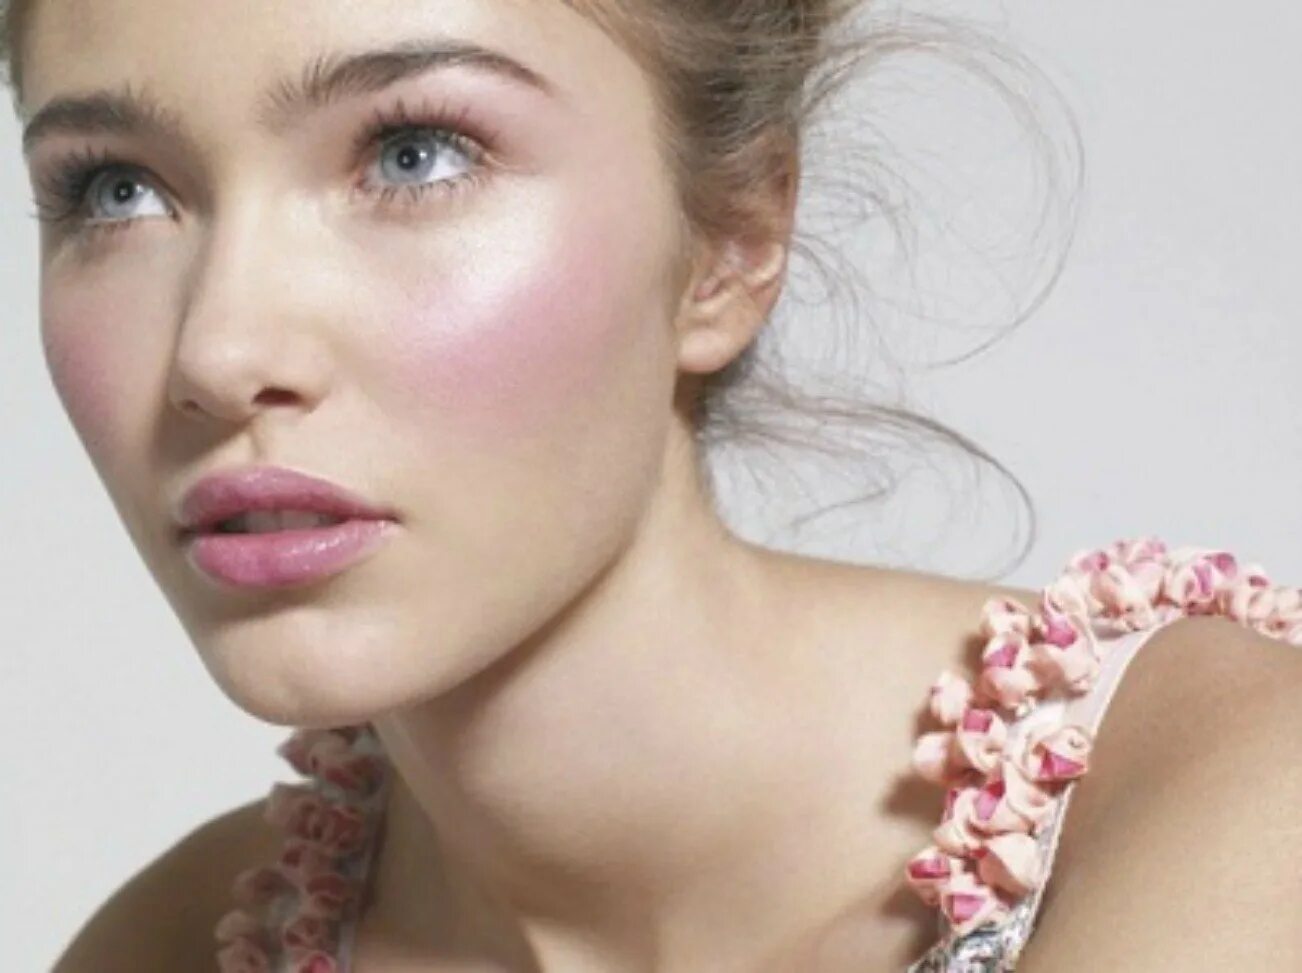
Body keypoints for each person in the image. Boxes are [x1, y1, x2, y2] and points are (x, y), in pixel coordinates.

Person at [7, 0, 1297, 970]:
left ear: (732, 240)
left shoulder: (1227, 796)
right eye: (113, 190)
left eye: (413, 155)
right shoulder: (179, 942)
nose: (220, 353)